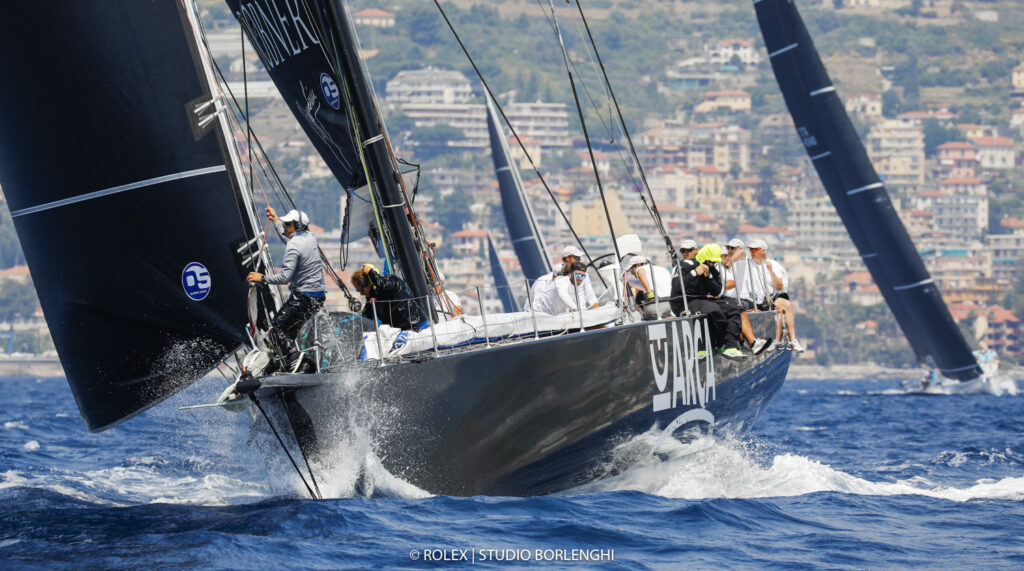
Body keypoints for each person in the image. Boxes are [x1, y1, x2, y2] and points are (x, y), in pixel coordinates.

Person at [246, 207, 325, 373]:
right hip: (317, 298)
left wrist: (262, 278)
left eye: (287, 224)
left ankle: (298, 362)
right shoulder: (309, 237)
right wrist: (276, 220)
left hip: (303, 297)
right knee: (288, 333)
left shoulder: (293, 246)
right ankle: (294, 364)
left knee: (275, 330)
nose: (284, 226)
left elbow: (284, 278)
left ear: (297, 226)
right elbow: (288, 238)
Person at [672, 243, 745, 360]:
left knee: (732, 307)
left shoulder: (711, 268)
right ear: (704, 259)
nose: (712, 264)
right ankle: (715, 344)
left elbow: (717, 291)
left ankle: (730, 346)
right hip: (683, 301)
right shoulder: (685, 265)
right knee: (713, 310)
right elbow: (677, 287)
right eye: (710, 262)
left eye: (713, 263)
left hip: (702, 300)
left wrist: (708, 276)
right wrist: (695, 273)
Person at [748, 239, 804, 352]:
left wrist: (771, 270)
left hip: (769, 298)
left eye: (754, 249)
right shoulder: (747, 264)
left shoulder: (774, 264)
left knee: (785, 304)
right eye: (750, 249)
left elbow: (778, 286)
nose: (752, 252)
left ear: (762, 251)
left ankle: (792, 340)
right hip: (752, 298)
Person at [724, 239, 770, 355]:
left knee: (737, 307)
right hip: (727, 299)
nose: (729, 250)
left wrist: (730, 261)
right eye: (728, 248)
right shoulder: (723, 263)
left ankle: (749, 343)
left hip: (742, 300)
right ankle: (742, 342)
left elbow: (742, 254)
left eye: (732, 248)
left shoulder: (741, 261)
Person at [351, 263, 428, 331]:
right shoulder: (372, 296)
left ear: (369, 285)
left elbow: (383, 285)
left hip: (416, 324)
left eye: (361, 291)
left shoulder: (392, 281)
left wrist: (371, 272)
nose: (361, 294)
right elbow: (367, 315)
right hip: (400, 330)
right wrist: (353, 324)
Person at [625, 255, 672, 320]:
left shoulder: (640, 269)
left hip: (658, 301)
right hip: (670, 300)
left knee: (633, 290)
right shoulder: (662, 269)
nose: (632, 273)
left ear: (638, 265)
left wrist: (650, 293)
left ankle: (639, 315)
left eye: (631, 270)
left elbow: (641, 272)